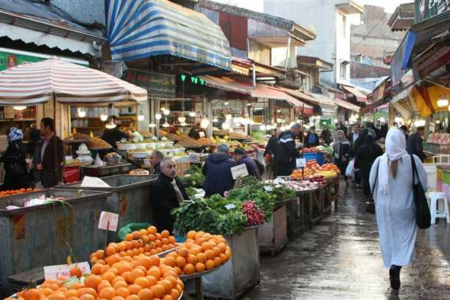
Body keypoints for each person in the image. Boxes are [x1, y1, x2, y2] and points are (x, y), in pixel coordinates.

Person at [369, 128, 427, 290]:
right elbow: (423, 183)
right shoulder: (413, 160)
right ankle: (397, 266)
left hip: (384, 210)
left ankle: (392, 263)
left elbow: (371, 184)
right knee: (405, 239)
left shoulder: (378, 162)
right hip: (405, 209)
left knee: (388, 238)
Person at [150, 158, 188, 232]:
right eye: (169, 167)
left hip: (182, 219)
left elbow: (185, 197)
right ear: (161, 169)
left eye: (174, 166)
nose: (173, 169)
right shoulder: (158, 186)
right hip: (169, 226)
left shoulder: (176, 180)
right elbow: (165, 210)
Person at [35, 118, 65, 188]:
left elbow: (61, 160)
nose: (40, 129)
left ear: (47, 127)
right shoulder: (43, 141)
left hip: (53, 178)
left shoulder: (57, 141)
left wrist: (60, 179)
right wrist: (38, 165)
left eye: (42, 126)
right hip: (43, 178)